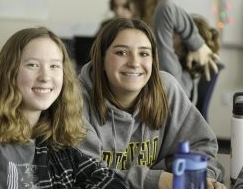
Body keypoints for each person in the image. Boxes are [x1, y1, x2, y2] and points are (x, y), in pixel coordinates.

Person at [0, 27, 128, 188]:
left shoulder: (54, 140)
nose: (45, 76)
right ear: (10, 73)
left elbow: (112, 181)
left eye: (54, 66)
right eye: (32, 65)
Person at [78, 18, 225, 189]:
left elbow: (203, 145)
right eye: (121, 52)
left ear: (153, 60)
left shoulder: (167, 89)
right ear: (102, 59)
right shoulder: (77, 100)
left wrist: (200, 178)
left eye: (144, 53)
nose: (134, 63)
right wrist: (159, 180)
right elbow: (86, 172)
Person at [130, 0, 220, 103]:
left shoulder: (172, 73)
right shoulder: (184, 78)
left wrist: (198, 45)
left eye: (175, 32)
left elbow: (165, 7)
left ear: (185, 49)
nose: (169, 33)